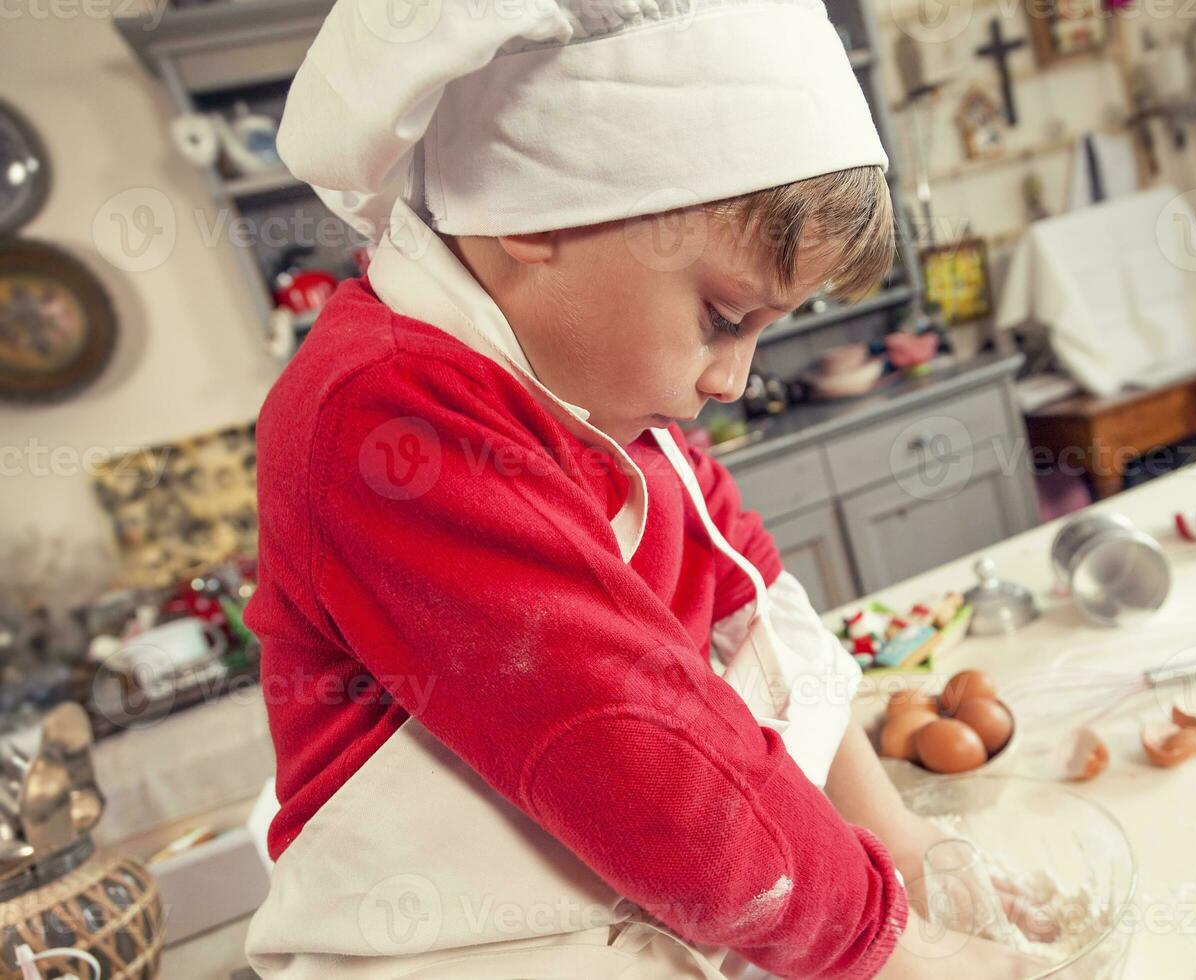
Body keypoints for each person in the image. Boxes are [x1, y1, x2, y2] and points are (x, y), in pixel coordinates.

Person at [242, 0, 1057, 975]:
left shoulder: (596, 404)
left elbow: (749, 604)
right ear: (538, 212)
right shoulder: (384, 414)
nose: (732, 381)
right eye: (722, 315)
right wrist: (902, 952)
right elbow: (652, 763)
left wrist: (908, 854)